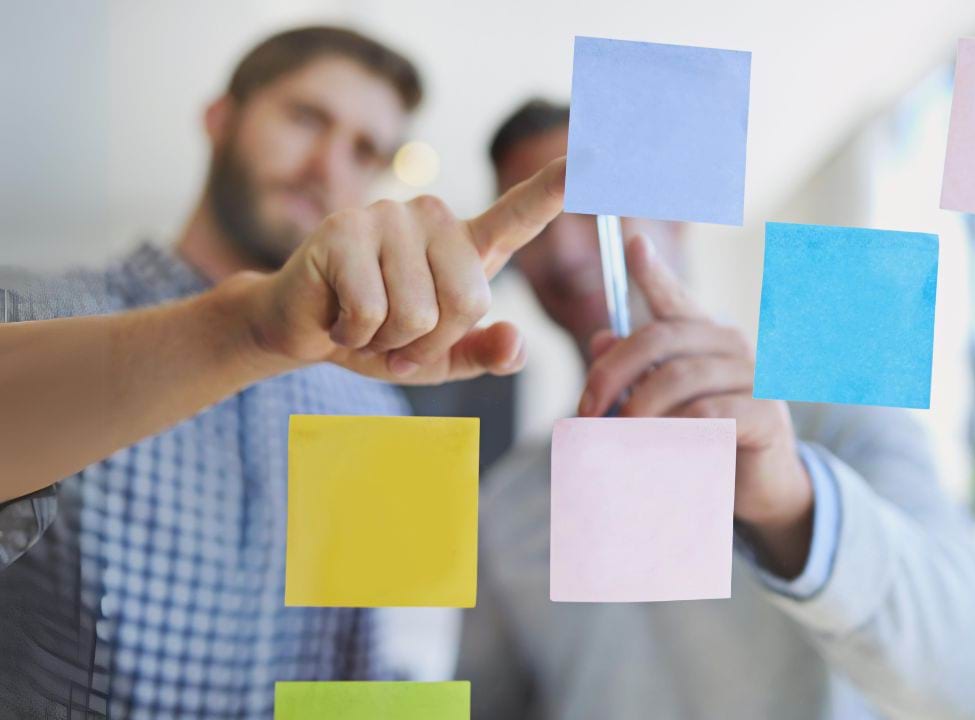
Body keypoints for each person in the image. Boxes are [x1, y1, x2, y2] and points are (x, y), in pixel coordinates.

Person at [0, 28, 565, 718]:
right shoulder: (32, 314)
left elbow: (367, 679)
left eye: (364, 149)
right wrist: (248, 330)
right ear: (220, 117)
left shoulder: (374, 407)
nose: (326, 165)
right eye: (305, 117)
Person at [456, 99, 975, 719]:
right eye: (535, 218)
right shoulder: (509, 498)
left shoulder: (844, 415)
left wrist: (793, 504)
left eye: (594, 202)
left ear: (678, 217)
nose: (567, 248)